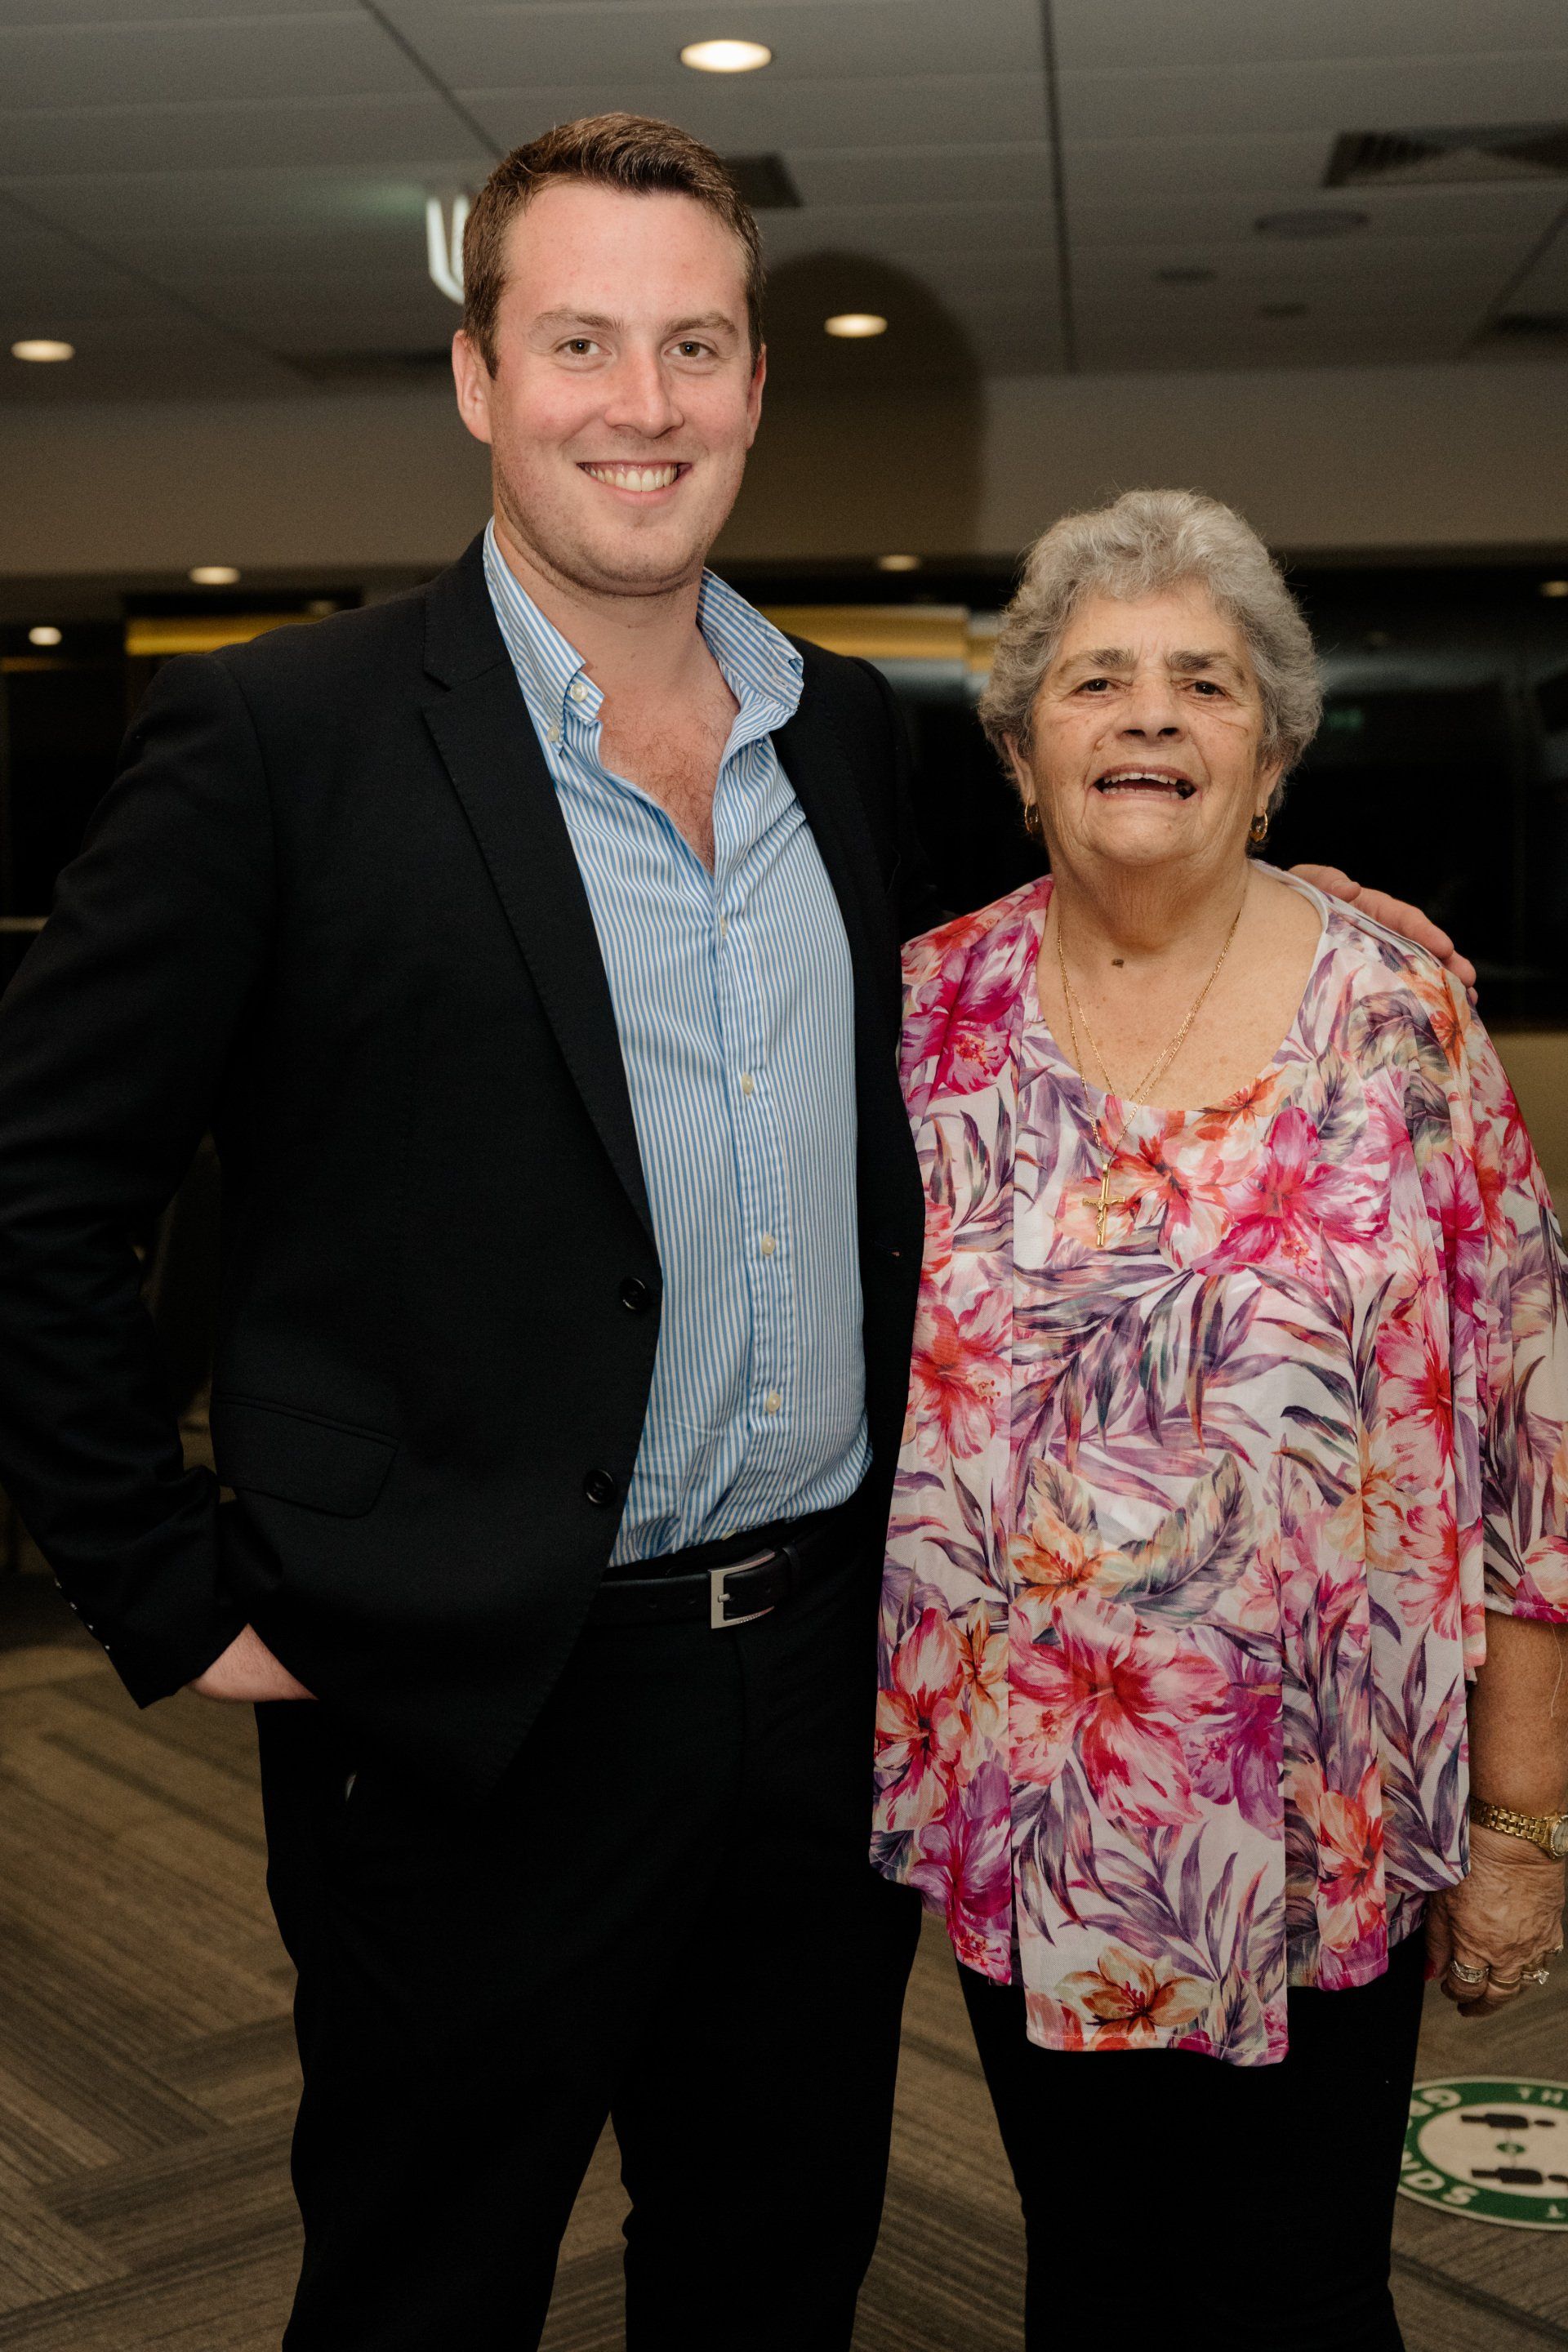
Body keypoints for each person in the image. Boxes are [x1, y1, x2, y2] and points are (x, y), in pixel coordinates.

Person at [0, 114, 1470, 2350]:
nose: (644, 400)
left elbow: (1085, 928)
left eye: (694, 344)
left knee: (773, 2271)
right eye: (580, 339)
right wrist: (160, 1585)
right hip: (472, 1693)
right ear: (481, 377)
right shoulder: (277, 741)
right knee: (427, 2281)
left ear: (756, 385)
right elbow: (35, 1188)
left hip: (819, 1691)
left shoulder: (848, 747)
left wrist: (1309, 903)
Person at [873, 488, 1568, 2352]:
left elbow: (1532, 1428)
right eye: (1097, 681)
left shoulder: (1402, 1011)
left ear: (1272, 756)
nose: (1153, 715)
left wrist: (1527, 1816)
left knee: (1306, 2289)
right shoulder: (927, 1017)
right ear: (1024, 751)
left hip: (1329, 1797)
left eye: (1206, 681)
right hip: (1037, 1806)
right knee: (1091, 2281)